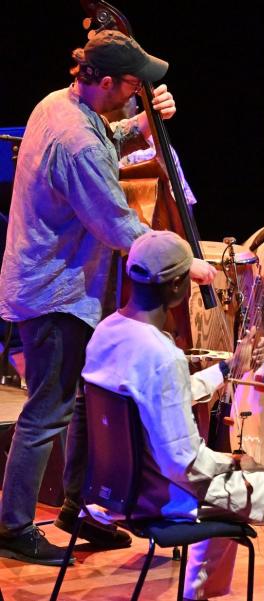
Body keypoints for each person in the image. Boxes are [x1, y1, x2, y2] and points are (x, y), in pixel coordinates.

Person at [0, 30, 215, 565]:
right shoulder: (74, 141)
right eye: (132, 84)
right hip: (55, 294)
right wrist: (192, 263)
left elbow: (103, 137)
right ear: (104, 80)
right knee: (46, 412)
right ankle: (13, 526)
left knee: (75, 404)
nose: (138, 89)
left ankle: (77, 507)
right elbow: (122, 227)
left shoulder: (60, 104)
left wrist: (141, 125)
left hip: (63, 288)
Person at [82, 230, 264, 600]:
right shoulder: (161, 355)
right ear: (176, 287)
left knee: (232, 483)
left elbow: (161, 399)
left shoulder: (106, 333)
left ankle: (201, 594)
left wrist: (228, 369)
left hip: (122, 492)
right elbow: (188, 467)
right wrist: (242, 462)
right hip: (166, 497)